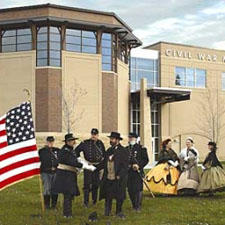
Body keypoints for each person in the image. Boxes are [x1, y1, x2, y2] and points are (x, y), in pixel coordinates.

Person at [52, 133, 96, 218]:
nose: (74, 142)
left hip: (70, 175)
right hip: (65, 176)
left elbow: (76, 159)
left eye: (73, 140)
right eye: (72, 141)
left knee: (70, 195)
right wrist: (83, 166)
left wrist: (83, 163)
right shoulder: (64, 151)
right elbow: (72, 162)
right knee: (67, 195)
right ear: (67, 142)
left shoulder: (71, 150)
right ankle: (67, 214)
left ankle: (68, 212)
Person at [97, 132, 129, 219]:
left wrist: (119, 175)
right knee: (108, 194)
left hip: (118, 177)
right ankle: (107, 211)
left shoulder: (123, 151)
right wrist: (94, 168)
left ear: (117, 140)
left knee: (119, 195)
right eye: (110, 139)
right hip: (108, 176)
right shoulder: (109, 151)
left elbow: (125, 165)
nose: (110, 141)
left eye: (112, 139)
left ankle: (118, 211)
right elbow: (103, 163)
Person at [75, 128, 105, 207]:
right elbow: (76, 151)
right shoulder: (85, 143)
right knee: (87, 184)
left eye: (95, 135)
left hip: (97, 166)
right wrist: (81, 161)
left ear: (98, 135)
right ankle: (86, 202)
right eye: (92, 134)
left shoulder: (100, 143)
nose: (93, 136)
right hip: (88, 165)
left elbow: (104, 154)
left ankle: (94, 201)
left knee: (96, 184)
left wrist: (101, 165)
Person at [126, 132, 149, 211]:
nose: (130, 139)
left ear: (136, 139)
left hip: (137, 172)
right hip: (129, 172)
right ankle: (133, 205)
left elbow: (145, 159)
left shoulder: (141, 148)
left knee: (138, 189)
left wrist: (139, 165)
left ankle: (138, 206)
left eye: (132, 138)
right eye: (129, 138)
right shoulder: (126, 149)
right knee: (130, 189)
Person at [38, 136, 59, 209]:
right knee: (47, 188)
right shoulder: (42, 151)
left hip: (55, 172)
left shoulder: (56, 150)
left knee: (55, 188)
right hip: (46, 172)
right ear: (46, 142)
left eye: (52, 141)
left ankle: (54, 205)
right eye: (49, 141)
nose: (50, 143)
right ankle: (47, 205)